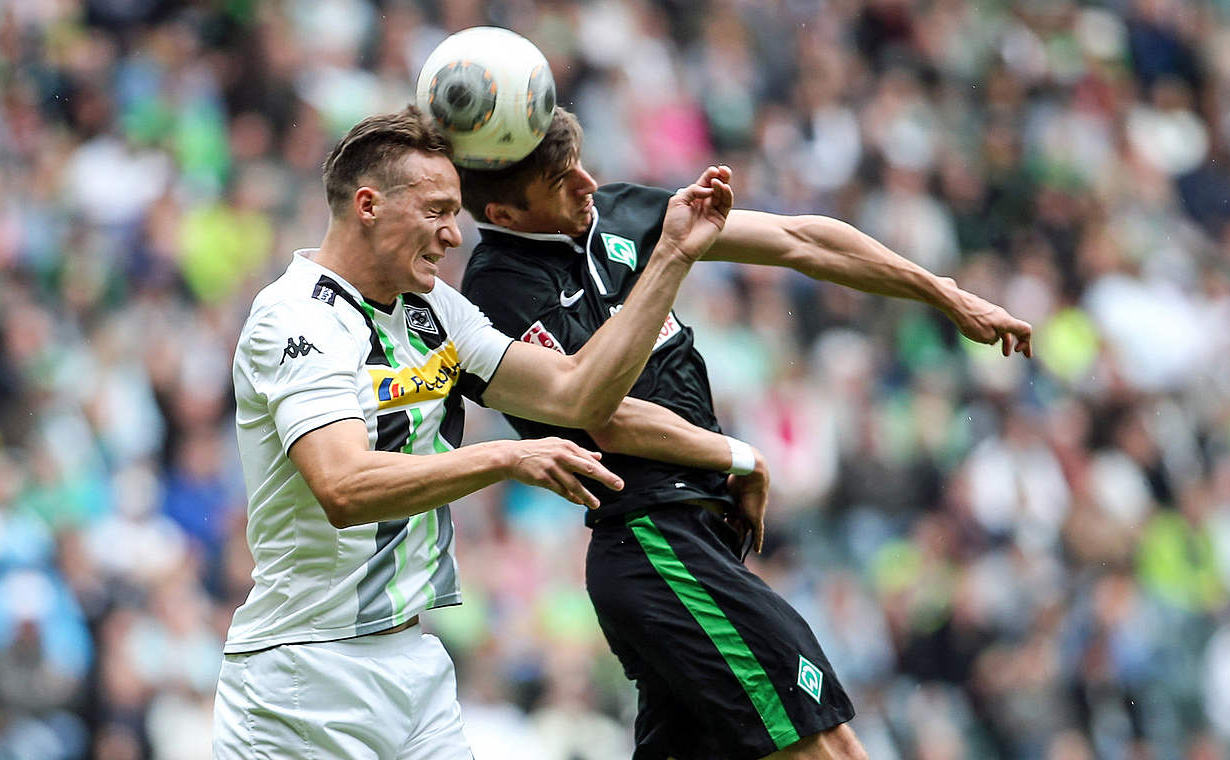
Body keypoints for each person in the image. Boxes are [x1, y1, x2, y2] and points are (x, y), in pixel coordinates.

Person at [458, 107, 1033, 760]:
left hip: (693, 537)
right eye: (563, 181)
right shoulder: (498, 287)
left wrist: (942, 292)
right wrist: (738, 456)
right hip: (654, 535)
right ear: (505, 214)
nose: (589, 183)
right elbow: (601, 415)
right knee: (828, 746)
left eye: (581, 163)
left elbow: (799, 240)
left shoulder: (618, 214)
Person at [212, 106, 733, 759]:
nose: (455, 235)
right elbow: (343, 486)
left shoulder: (435, 311)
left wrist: (671, 259)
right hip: (303, 679)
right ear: (368, 205)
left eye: (456, 213)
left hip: (414, 664)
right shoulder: (294, 320)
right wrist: (506, 458)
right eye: (436, 211)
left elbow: (578, 391)